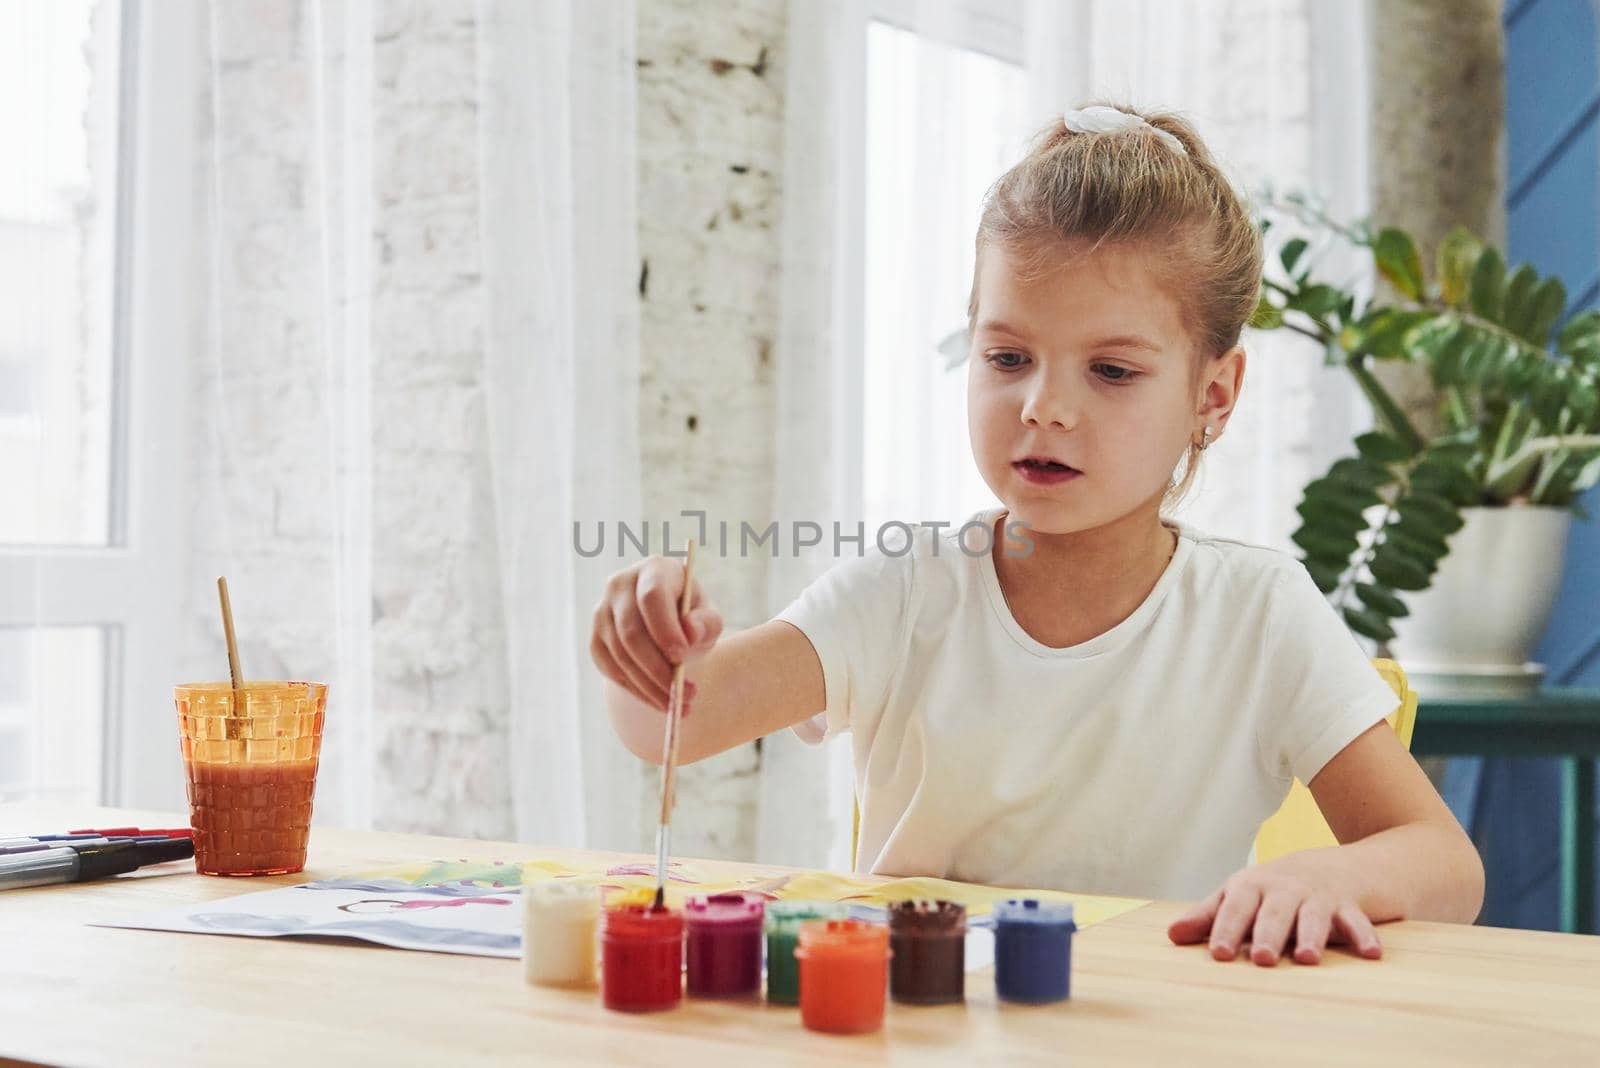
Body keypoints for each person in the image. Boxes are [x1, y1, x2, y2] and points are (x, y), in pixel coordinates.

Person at [591, 104, 1484, 967]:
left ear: (1212, 395)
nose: (1044, 407)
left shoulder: (1259, 613)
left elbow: (1447, 865)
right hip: (925, 1029)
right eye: (1007, 358)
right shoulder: (908, 588)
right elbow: (666, 725)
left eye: (1111, 371)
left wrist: (1334, 871)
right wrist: (651, 643)